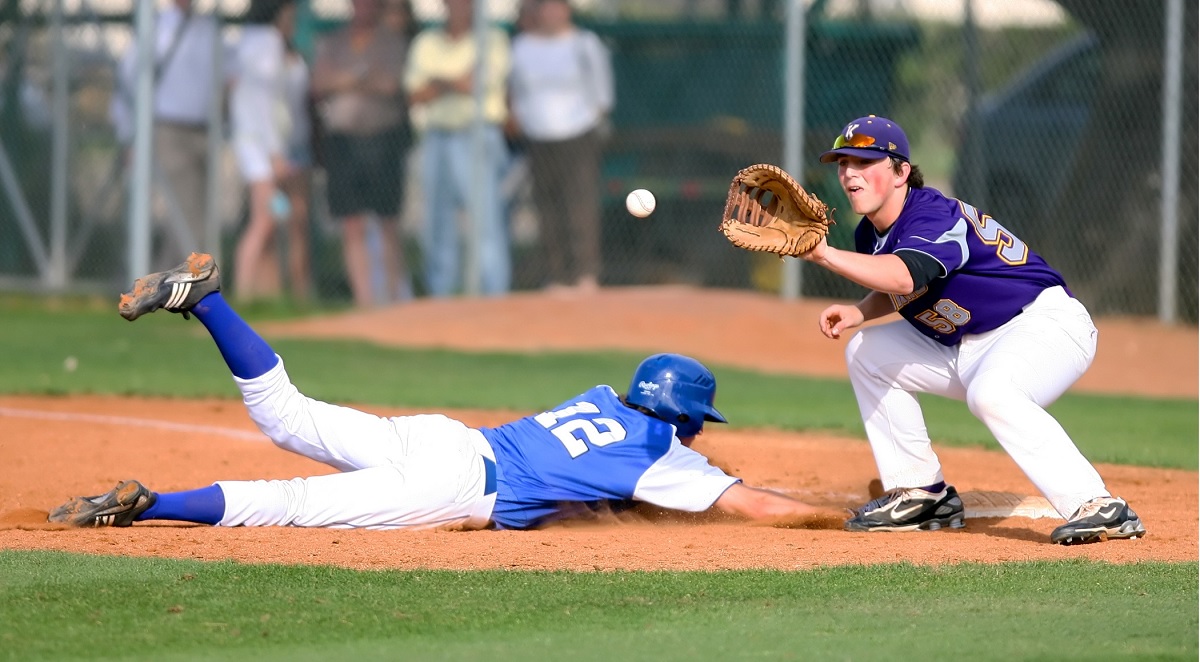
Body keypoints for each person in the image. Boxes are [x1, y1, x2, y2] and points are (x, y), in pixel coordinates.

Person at [48, 253, 836, 531]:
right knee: (286, 501)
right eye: (696, 425)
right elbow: (754, 505)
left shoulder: (601, 397)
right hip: (455, 485)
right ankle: (150, 505)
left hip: (444, 438)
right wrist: (841, 519)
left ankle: (208, 300)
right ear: (684, 421)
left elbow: (598, 480)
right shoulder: (661, 456)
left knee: (285, 415)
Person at [801, 115, 1146, 545]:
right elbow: (907, 285)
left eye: (864, 161)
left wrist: (823, 255)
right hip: (968, 343)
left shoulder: (932, 215)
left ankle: (1098, 505)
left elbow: (908, 275)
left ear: (901, 172)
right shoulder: (869, 233)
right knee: (866, 352)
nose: (849, 172)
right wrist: (860, 312)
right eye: (842, 162)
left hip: (1043, 324)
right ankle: (922, 495)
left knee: (993, 393)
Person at [109, 0, 234, 270]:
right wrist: (128, 135)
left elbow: (225, 78)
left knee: (198, 215)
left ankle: (166, 285)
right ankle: (188, 286)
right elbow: (127, 85)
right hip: (169, 131)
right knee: (187, 216)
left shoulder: (208, 29)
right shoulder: (155, 30)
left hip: (205, 131)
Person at [405, 0, 511, 298]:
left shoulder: (492, 39)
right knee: (437, 222)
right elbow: (415, 94)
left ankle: (494, 296)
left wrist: (438, 82)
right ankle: (440, 298)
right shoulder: (426, 42)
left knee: (485, 221)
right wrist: (454, 81)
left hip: (477, 135)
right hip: (436, 136)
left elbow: (475, 84)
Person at [310, 0, 412, 307]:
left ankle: (394, 298)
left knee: (387, 222)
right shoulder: (333, 41)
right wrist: (361, 77)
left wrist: (343, 79)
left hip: (382, 141)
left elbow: (390, 84)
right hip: (342, 143)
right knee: (350, 222)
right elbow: (319, 84)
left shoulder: (392, 42)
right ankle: (365, 301)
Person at [508, 0, 613, 295]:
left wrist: (590, 120)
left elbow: (602, 94)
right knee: (546, 206)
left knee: (580, 204)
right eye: (546, 7)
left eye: (558, 6)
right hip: (538, 137)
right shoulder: (522, 47)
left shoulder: (585, 44)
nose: (552, 12)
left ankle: (585, 274)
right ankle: (556, 276)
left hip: (579, 134)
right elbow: (516, 93)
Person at [230, 0, 311, 302]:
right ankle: (243, 293)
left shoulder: (249, 42)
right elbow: (264, 104)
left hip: (260, 143)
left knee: (274, 220)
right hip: (260, 146)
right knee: (264, 221)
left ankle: (264, 294)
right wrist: (276, 154)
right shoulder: (267, 43)